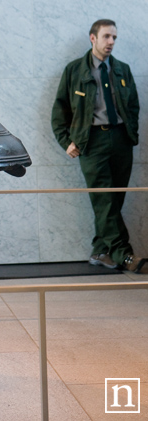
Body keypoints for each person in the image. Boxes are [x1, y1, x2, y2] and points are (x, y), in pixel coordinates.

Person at [51, 19, 145, 273]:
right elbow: (60, 109)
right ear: (93, 38)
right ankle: (125, 255)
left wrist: (130, 134)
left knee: (114, 198)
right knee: (104, 199)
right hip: (91, 143)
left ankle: (101, 251)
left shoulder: (122, 70)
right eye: (106, 37)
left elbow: (133, 106)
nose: (111, 42)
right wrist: (66, 141)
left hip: (121, 140)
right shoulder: (75, 71)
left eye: (114, 37)